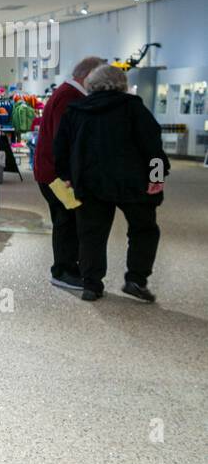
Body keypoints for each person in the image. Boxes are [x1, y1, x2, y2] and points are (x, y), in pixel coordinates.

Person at [53, 64, 169, 302]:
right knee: (144, 229)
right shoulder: (134, 108)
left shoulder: (76, 110)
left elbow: (60, 148)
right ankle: (136, 279)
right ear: (122, 84)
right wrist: (156, 178)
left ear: (91, 84)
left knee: (91, 234)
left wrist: (67, 177)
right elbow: (153, 147)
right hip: (133, 183)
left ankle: (91, 284)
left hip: (90, 182)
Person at [33, 56, 106, 290]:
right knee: (67, 219)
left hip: (56, 172)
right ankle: (62, 270)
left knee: (69, 219)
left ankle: (67, 267)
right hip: (56, 175)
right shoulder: (68, 96)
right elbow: (63, 140)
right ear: (88, 76)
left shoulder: (70, 95)